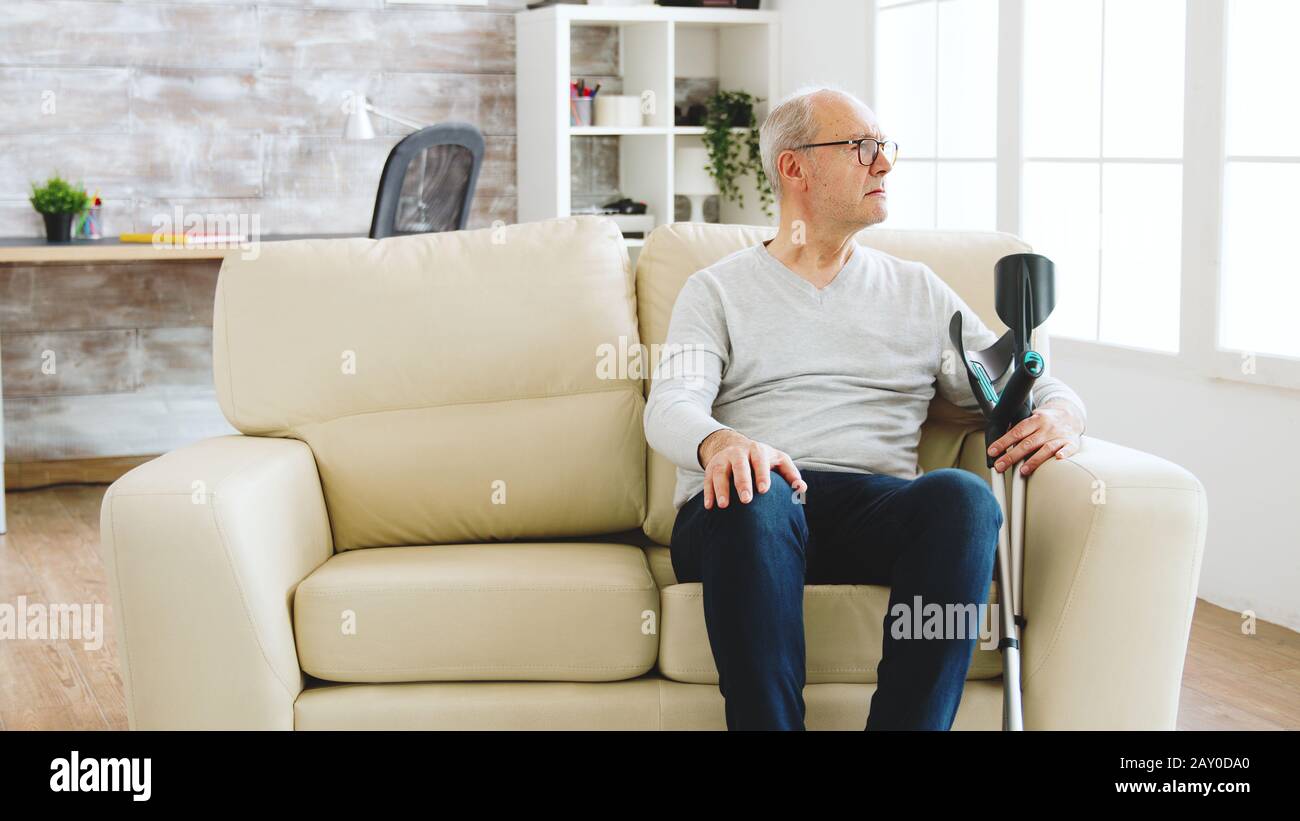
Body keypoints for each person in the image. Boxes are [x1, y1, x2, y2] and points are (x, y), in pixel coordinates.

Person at [642, 85, 1087, 730]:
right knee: (758, 491)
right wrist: (723, 444)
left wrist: (1063, 413)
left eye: (885, 148)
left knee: (963, 499)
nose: (884, 164)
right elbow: (671, 404)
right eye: (862, 148)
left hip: (870, 509)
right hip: (744, 513)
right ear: (794, 166)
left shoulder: (917, 291)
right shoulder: (717, 290)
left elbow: (1016, 383)